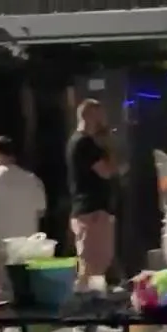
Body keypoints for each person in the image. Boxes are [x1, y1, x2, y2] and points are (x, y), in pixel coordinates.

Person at [67, 99, 117, 293]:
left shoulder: (78, 141)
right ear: (89, 115)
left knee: (92, 261)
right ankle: (86, 300)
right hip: (92, 210)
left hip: (87, 210)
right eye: (100, 115)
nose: (104, 120)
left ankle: (91, 298)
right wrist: (109, 147)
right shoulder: (84, 143)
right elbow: (106, 171)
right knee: (93, 261)